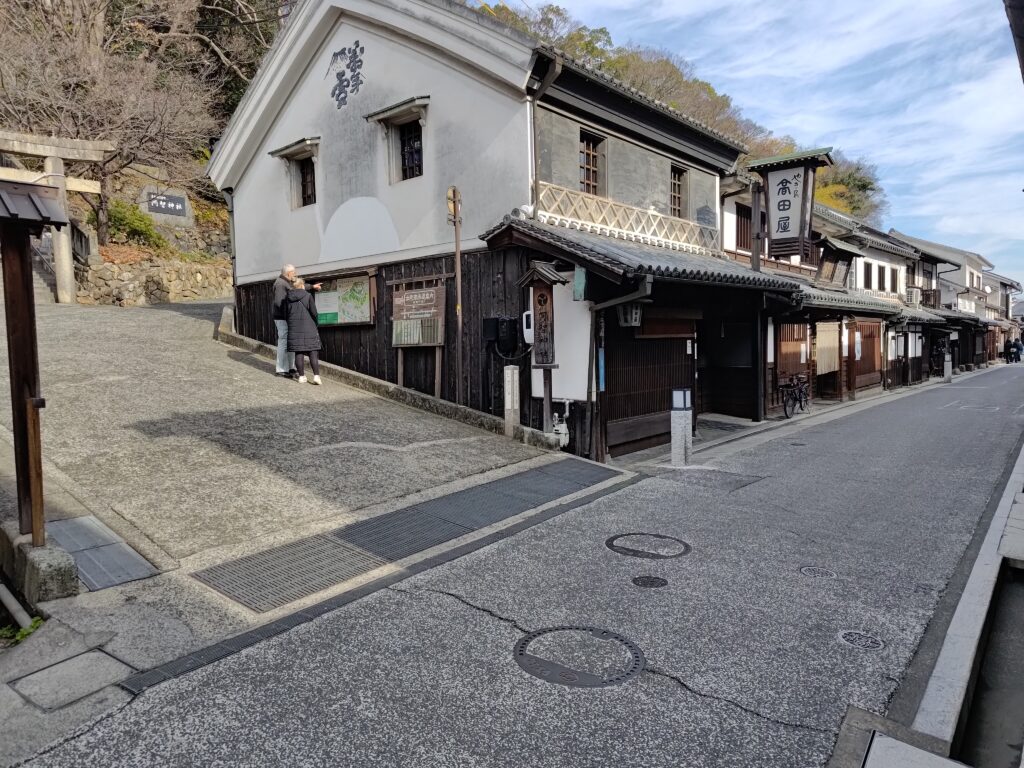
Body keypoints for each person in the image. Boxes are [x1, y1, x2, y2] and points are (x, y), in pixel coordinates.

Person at [285, 279, 322, 385]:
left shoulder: (288, 297)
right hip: (308, 326)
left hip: (294, 328)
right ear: (302, 285)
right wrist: (316, 322)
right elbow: (314, 312)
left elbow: (286, 313)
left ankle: (301, 376)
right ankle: (316, 376)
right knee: (313, 352)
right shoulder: (307, 296)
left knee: (298, 352)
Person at [272, 264, 297, 377]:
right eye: (294, 272)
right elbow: (279, 303)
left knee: (289, 341)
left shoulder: (285, 282)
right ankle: (281, 369)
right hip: (282, 317)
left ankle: (290, 367)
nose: (295, 274)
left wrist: (311, 287)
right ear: (288, 273)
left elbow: (299, 288)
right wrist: (289, 313)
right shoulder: (281, 284)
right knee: (283, 341)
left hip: (286, 317)